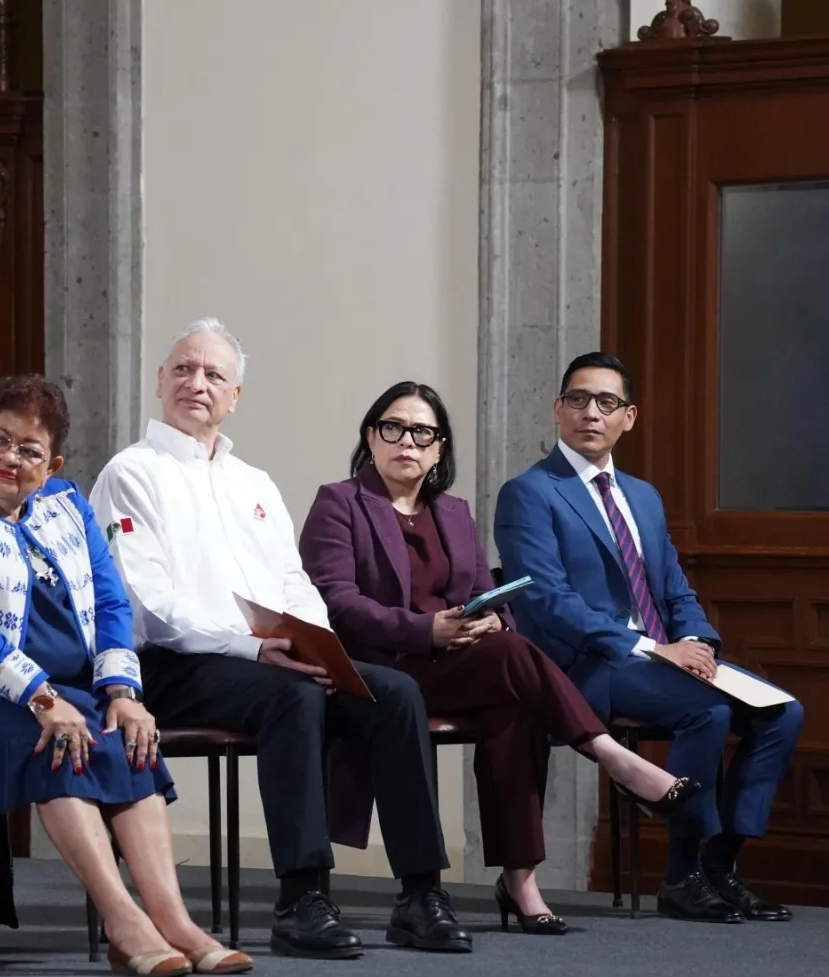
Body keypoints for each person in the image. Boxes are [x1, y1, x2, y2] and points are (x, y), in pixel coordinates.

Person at [90, 318, 470, 959]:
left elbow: (294, 585)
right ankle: (302, 898)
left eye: (215, 374)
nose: (197, 383)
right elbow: (148, 605)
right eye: (184, 369)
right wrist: (254, 645)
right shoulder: (132, 473)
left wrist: (313, 644)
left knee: (396, 692)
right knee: (291, 696)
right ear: (159, 382)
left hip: (270, 657)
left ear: (234, 395)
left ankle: (420, 895)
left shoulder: (254, 484)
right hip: (174, 666)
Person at [0, 374, 251, 977]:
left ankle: (173, 919)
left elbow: (111, 604)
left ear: (53, 465)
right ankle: (124, 923)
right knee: (61, 745)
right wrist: (44, 697)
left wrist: (124, 694)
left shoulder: (67, 506)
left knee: (131, 742)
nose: (8, 457)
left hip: (58, 693)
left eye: (29, 450)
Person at [299, 381, 700, 935]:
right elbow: (336, 603)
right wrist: (425, 630)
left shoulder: (454, 512)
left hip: (456, 661)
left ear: (439, 449)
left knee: (515, 702)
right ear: (371, 437)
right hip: (383, 669)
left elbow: (483, 591)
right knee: (513, 667)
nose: (406, 442)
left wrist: (492, 619)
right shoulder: (339, 503)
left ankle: (520, 877)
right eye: (392, 428)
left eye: (422, 432)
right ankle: (613, 758)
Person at [494, 352, 805, 924]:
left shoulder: (643, 496)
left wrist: (699, 641)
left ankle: (719, 865)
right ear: (558, 409)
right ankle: (680, 877)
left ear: (628, 417)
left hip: (664, 659)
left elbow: (673, 588)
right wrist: (650, 648)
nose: (592, 413)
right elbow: (544, 600)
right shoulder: (530, 492)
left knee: (782, 713)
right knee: (706, 713)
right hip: (587, 663)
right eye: (579, 400)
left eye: (607, 403)